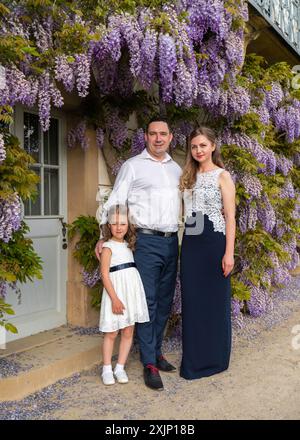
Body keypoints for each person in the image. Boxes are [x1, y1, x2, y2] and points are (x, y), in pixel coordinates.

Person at [95, 117, 182, 390]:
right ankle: (149, 363)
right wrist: (103, 236)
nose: (158, 138)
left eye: (163, 134)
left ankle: (155, 351)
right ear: (145, 137)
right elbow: (115, 201)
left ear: (170, 137)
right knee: (148, 302)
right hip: (144, 241)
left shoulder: (177, 169)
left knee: (165, 302)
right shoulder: (132, 166)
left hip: (171, 241)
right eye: (153, 134)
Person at [179, 126, 236, 380]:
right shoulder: (187, 177)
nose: (198, 150)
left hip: (215, 244)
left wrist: (229, 253)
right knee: (192, 303)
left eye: (203, 145)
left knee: (214, 302)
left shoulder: (222, 176)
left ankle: (215, 359)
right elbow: (186, 215)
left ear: (213, 146)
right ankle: (192, 362)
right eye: (194, 146)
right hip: (191, 244)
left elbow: (230, 218)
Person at [99, 203, 150, 386]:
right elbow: (104, 275)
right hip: (116, 293)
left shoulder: (130, 245)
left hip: (130, 293)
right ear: (109, 226)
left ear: (128, 225)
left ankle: (120, 367)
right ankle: (106, 368)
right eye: (115, 223)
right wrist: (114, 299)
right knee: (112, 332)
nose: (119, 227)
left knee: (128, 331)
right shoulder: (107, 247)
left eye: (122, 223)